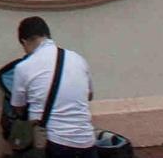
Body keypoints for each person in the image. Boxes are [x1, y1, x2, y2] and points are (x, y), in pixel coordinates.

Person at [8, 16, 97, 158]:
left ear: (24, 42)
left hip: (52, 143)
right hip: (87, 140)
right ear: (47, 35)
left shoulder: (23, 67)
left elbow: (18, 107)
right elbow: (89, 95)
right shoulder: (77, 59)